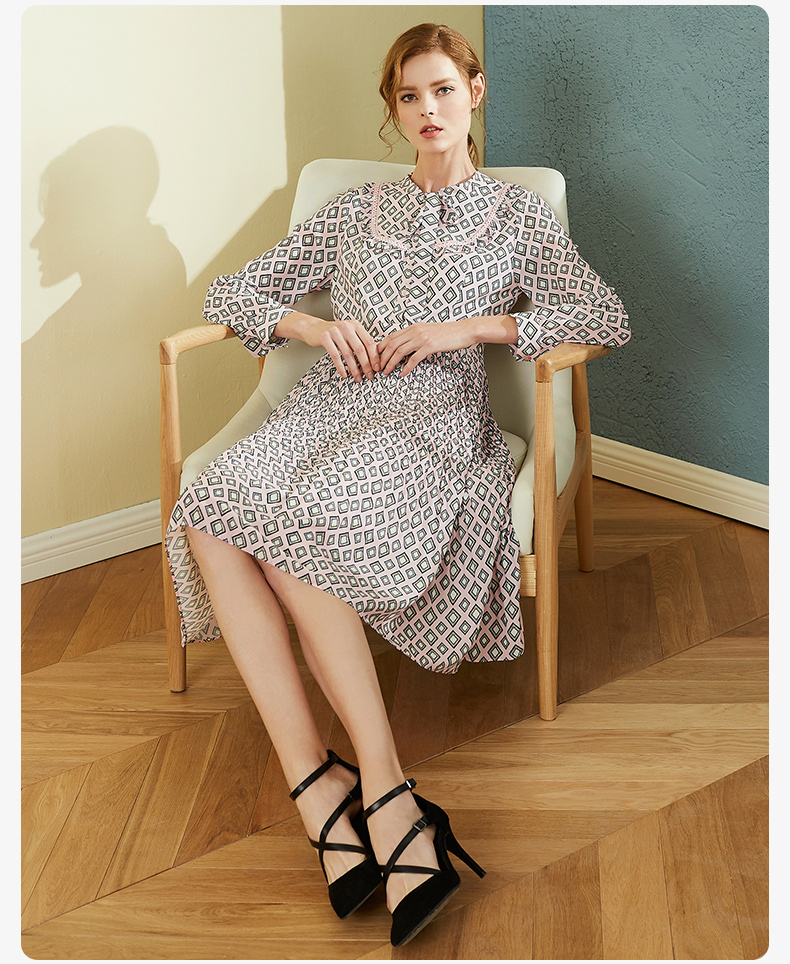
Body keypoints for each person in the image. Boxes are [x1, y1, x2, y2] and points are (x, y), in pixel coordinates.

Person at [165, 22, 630, 947]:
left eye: (443, 90)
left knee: (291, 528)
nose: (428, 110)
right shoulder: (354, 211)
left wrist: (474, 328)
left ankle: (377, 787)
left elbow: (602, 314)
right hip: (327, 411)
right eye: (410, 96)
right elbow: (233, 294)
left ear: (475, 92)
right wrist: (308, 326)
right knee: (211, 506)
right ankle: (322, 783)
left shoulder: (518, 216)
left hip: (433, 427)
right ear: (394, 109)